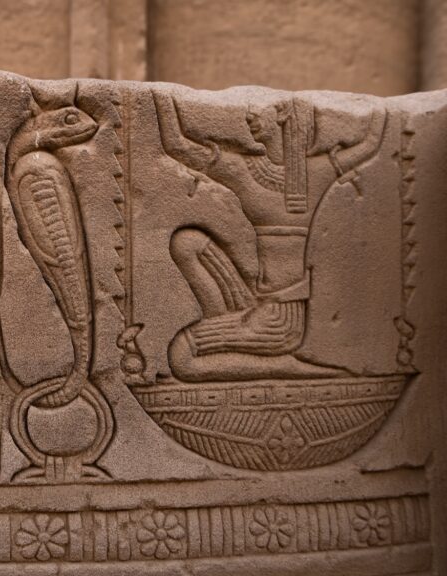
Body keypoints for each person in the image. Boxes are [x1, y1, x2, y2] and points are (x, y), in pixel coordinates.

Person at [153, 92, 386, 381]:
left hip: (281, 319)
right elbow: (177, 145)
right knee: (188, 243)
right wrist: (160, 102)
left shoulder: (317, 172)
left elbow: (371, 144)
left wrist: (380, 114)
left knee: (181, 354)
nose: (250, 114)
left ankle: (293, 369)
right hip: (255, 301)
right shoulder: (245, 169)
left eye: (261, 109)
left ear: (284, 118)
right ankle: (240, 333)